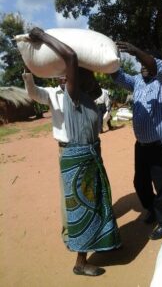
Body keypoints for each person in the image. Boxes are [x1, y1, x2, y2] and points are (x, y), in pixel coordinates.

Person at [22, 27, 121, 276]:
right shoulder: (72, 95)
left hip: (90, 157)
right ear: (79, 79)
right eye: (89, 77)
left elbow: (97, 123)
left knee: (97, 203)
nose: (95, 81)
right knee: (82, 208)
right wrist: (42, 37)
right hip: (77, 159)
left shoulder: (90, 101)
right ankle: (80, 262)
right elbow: (72, 58)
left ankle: (103, 242)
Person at [111, 42, 162, 240]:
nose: (142, 65)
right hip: (141, 145)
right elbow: (117, 76)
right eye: (139, 62)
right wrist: (109, 59)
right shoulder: (137, 81)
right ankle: (153, 209)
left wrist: (136, 51)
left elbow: (156, 66)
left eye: (145, 61)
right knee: (140, 183)